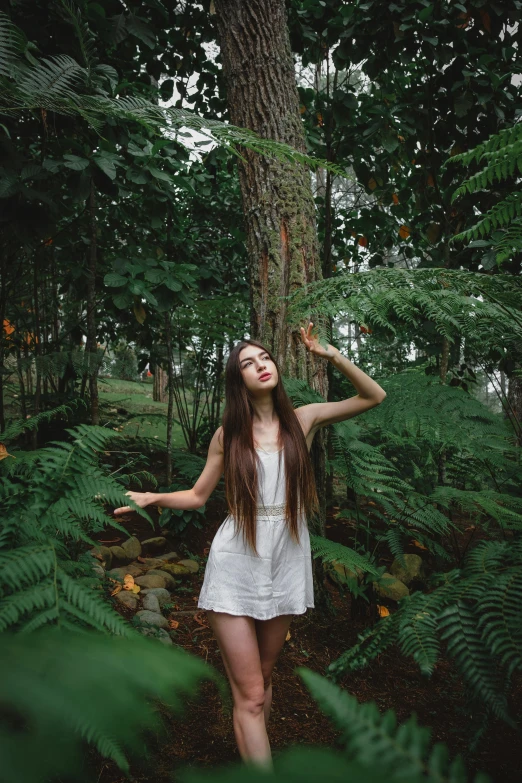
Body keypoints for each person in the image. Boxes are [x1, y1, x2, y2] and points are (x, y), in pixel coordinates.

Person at [114, 322, 386, 769]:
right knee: (253, 695)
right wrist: (154, 497)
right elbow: (199, 496)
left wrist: (330, 355)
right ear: (237, 379)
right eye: (248, 363)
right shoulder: (227, 435)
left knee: (261, 679)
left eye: (264, 358)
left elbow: (373, 396)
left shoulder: (304, 419)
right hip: (236, 562)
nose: (260, 366)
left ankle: (248, 742)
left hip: (284, 561)